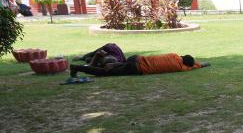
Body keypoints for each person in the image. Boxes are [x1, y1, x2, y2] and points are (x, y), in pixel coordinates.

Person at [70, 52, 208, 77]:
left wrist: (199, 63)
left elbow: (193, 63)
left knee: (112, 67)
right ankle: (76, 67)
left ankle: (111, 63)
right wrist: (202, 65)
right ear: (187, 66)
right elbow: (195, 66)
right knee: (105, 72)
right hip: (137, 68)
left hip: (136, 58)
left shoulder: (173, 55)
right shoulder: (180, 68)